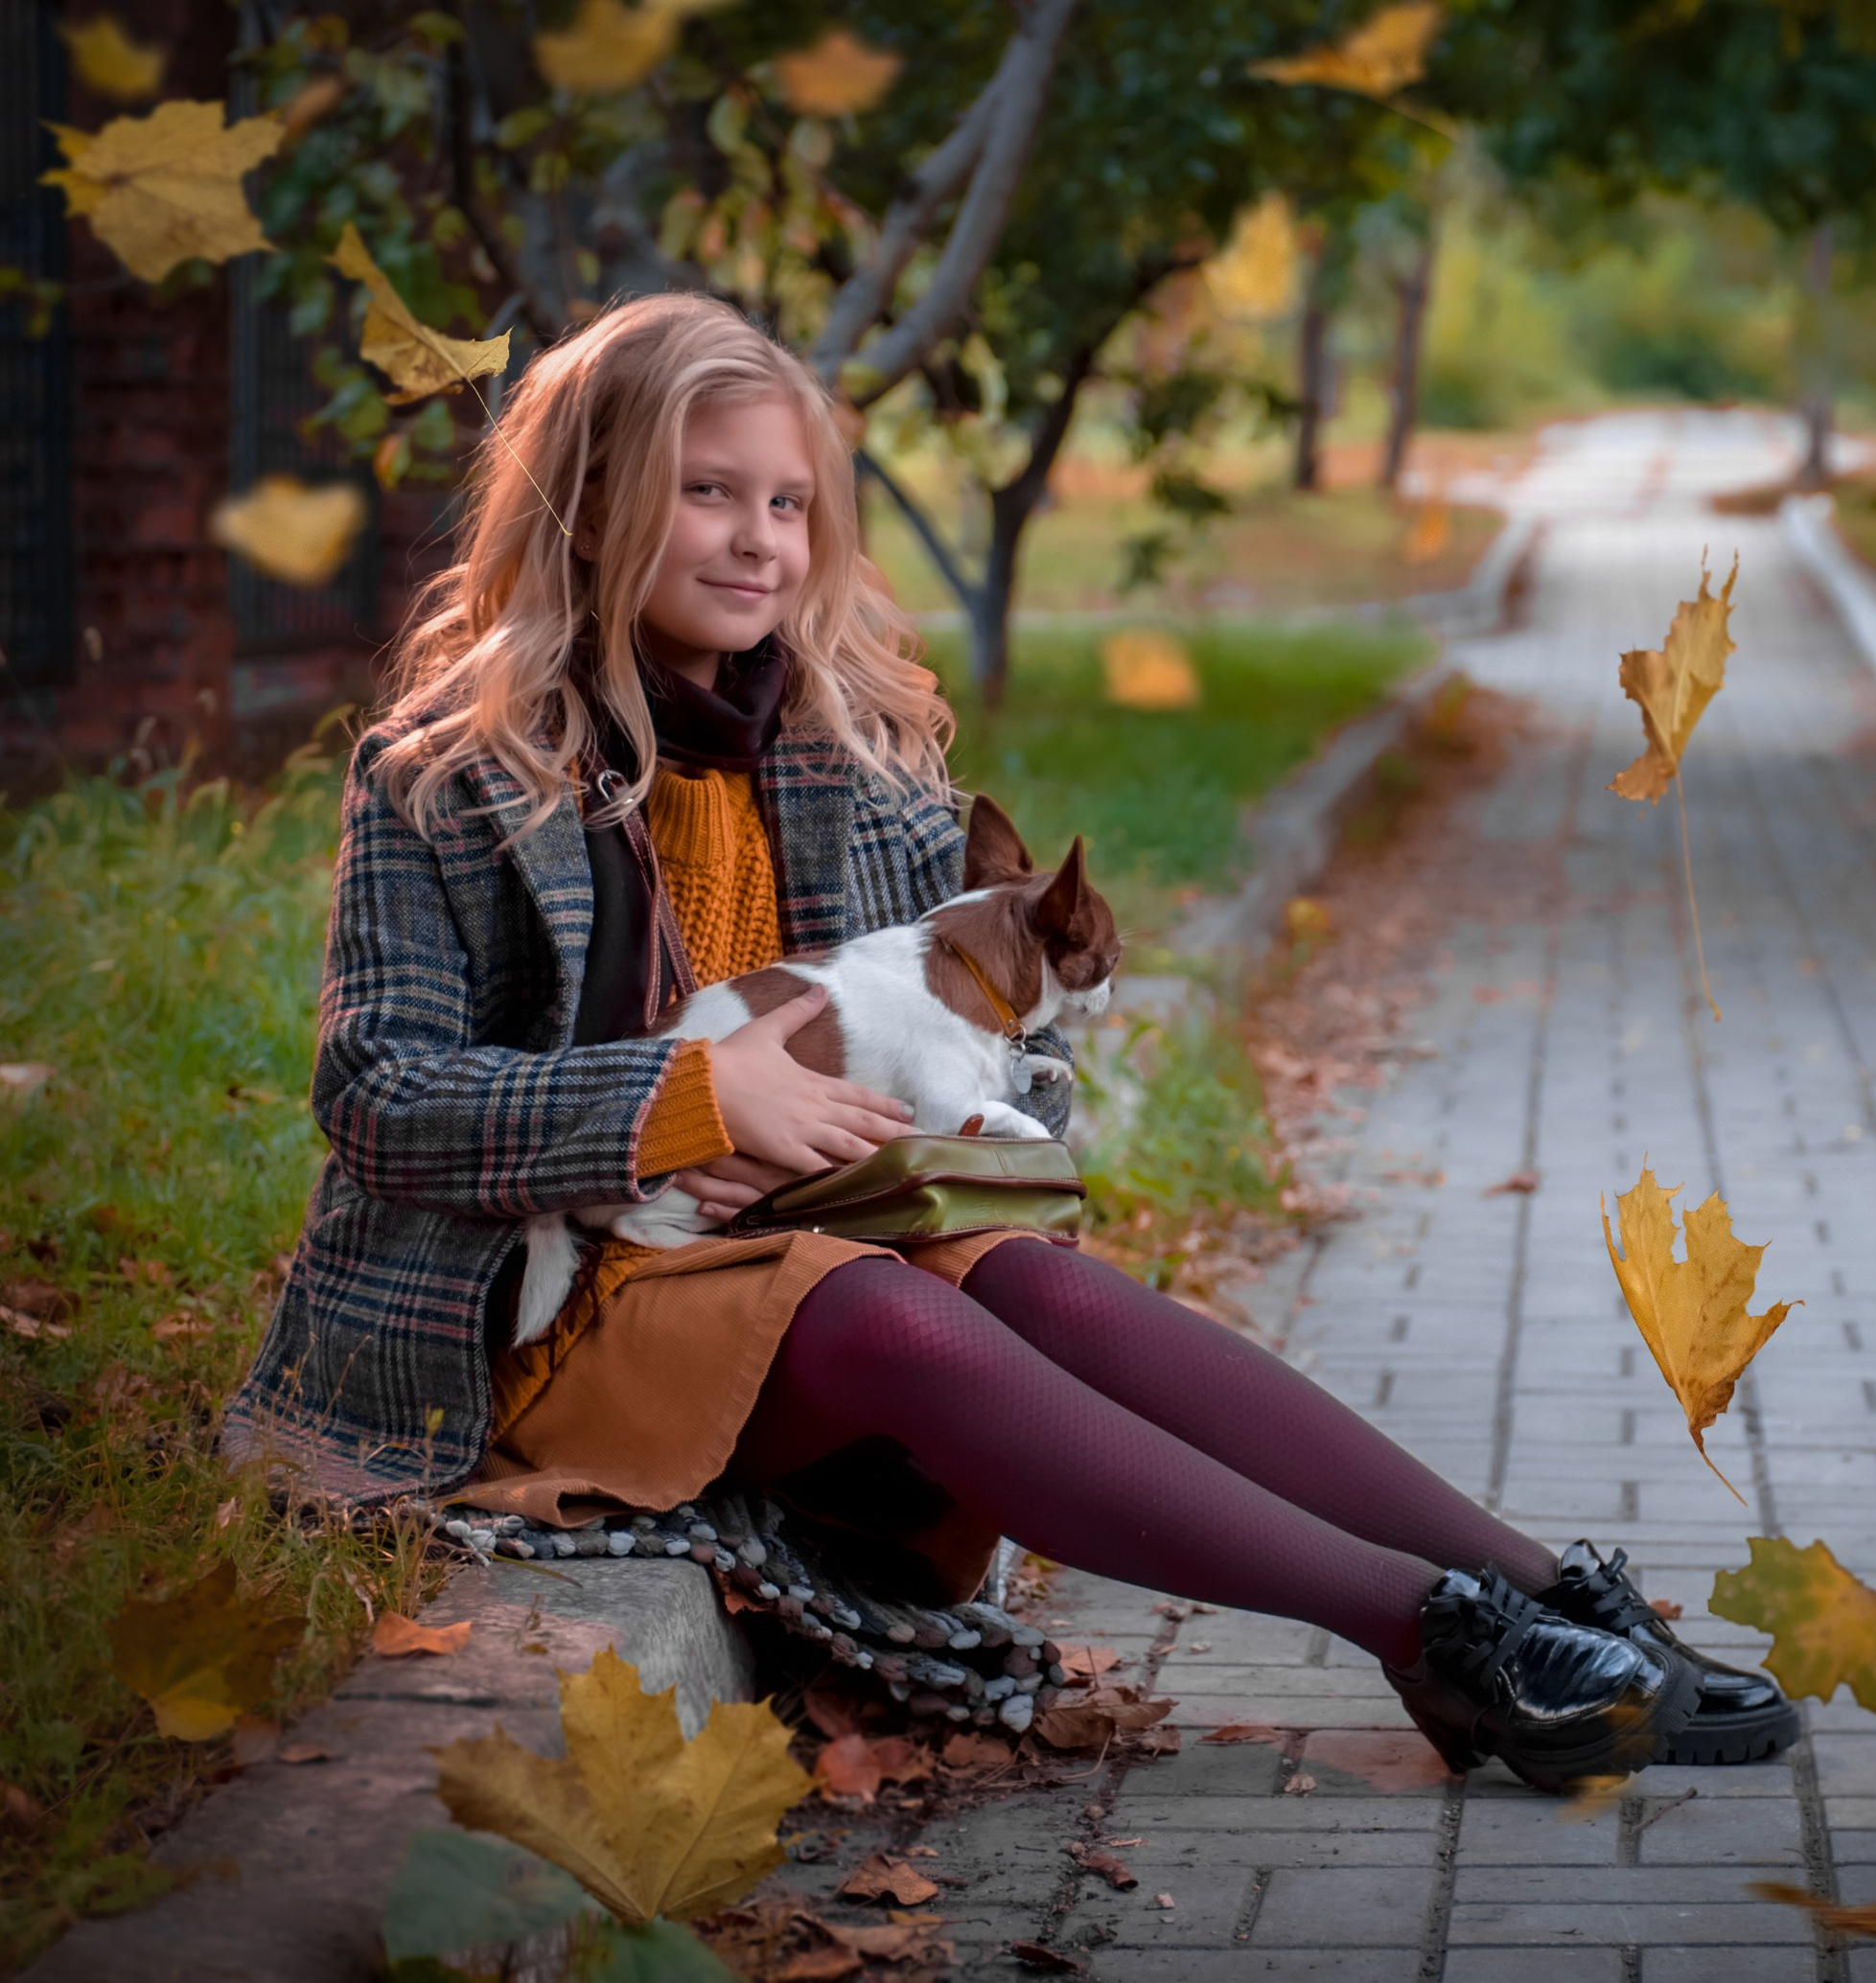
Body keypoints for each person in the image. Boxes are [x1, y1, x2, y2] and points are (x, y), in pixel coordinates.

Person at [224, 292, 1795, 1788]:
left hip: (818, 1256)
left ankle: (1543, 1587)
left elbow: (1020, 1063)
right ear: (590, 505)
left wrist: (905, 1132)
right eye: (708, 493)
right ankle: (1428, 1634)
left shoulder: (868, 763)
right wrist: (683, 1100)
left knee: (1033, 1277)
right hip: (559, 1308)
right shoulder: (450, 779)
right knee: (886, 1314)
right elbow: (378, 1096)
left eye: (788, 504)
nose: (758, 539)